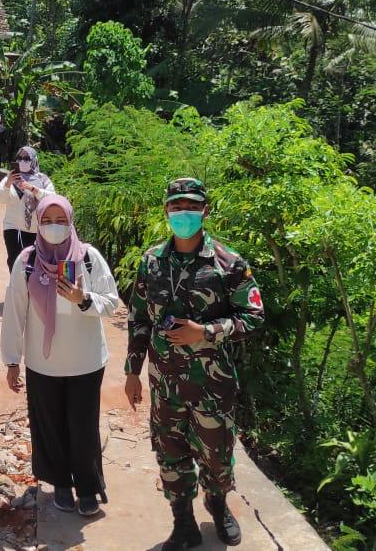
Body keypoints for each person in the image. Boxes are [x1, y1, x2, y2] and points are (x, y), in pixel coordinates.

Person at [125, 178, 264, 550]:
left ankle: (218, 506)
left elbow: (253, 315)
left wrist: (205, 331)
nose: (182, 213)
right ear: (166, 211)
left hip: (211, 385)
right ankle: (183, 521)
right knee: (170, 454)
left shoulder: (229, 264)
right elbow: (138, 318)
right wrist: (131, 371)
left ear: (205, 210)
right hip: (165, 383)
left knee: (217, 455)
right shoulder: (151, 261)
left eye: (190, 206)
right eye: (175, 207)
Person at [1, 195, 119, 516]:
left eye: (61, 220)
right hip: (43, 364)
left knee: (83, 427)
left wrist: (84, 299)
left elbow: (112, 301)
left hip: (86, 361)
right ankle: (61, 484)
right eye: (48, 220)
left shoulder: (89, 258)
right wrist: (12, 360)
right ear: (38, 223)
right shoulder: (26, 261)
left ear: (71, 221)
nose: (55, 226)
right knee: (49, 427)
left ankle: (88, 487)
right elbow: (14, 312)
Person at [0, 146, 55, 270]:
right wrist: (8, 184)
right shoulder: (10, 179)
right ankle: (15, 288)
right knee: (15, 262)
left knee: (32, 265)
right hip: (13, 228)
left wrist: (33, 189)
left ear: (34, 160)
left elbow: (52, 198)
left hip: (36, 230)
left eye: (26, 158)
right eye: (19, 158)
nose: (22, 161)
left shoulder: (43, 180)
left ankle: (30, 289)